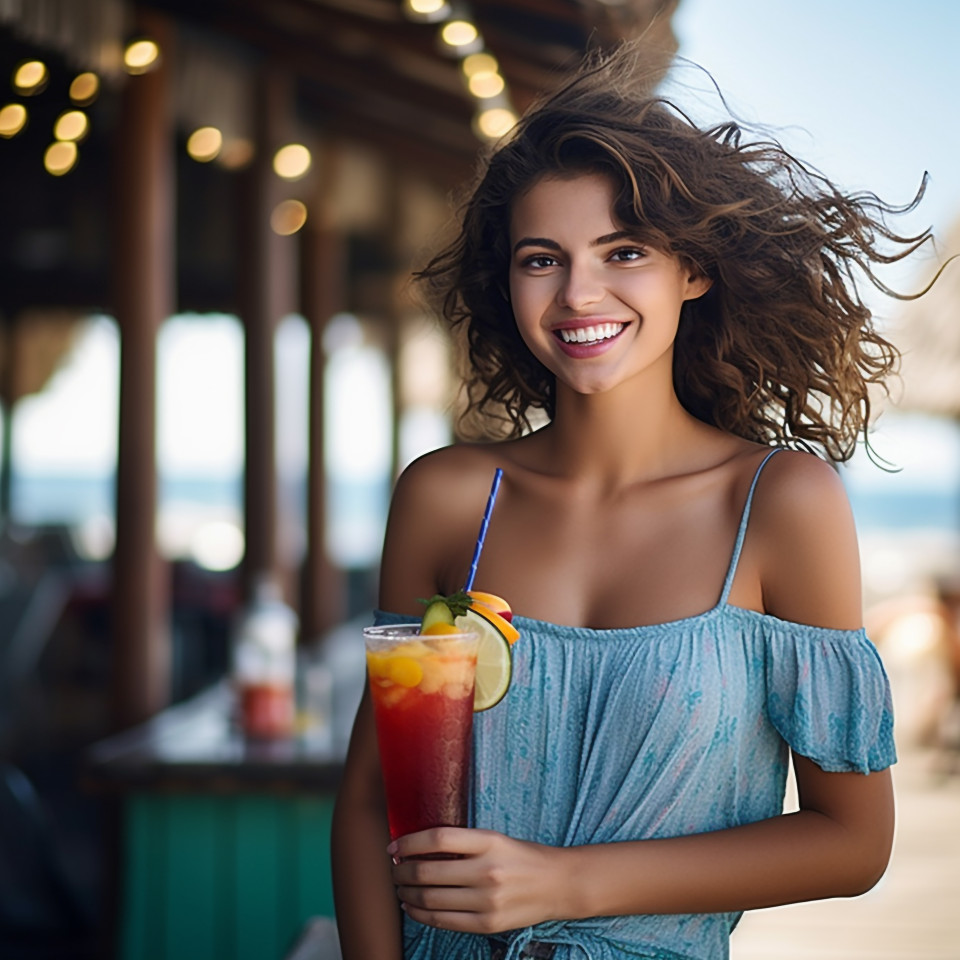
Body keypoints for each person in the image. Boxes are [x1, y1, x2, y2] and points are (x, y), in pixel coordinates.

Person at [331, 44, 927, 960]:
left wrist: (566, 883)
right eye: (543, 259)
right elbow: (372, 801)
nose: (579, 293)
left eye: (625, 251)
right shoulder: (447, 498)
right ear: (509, 282)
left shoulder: (781, 504)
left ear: (694, 270)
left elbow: (853, 840)